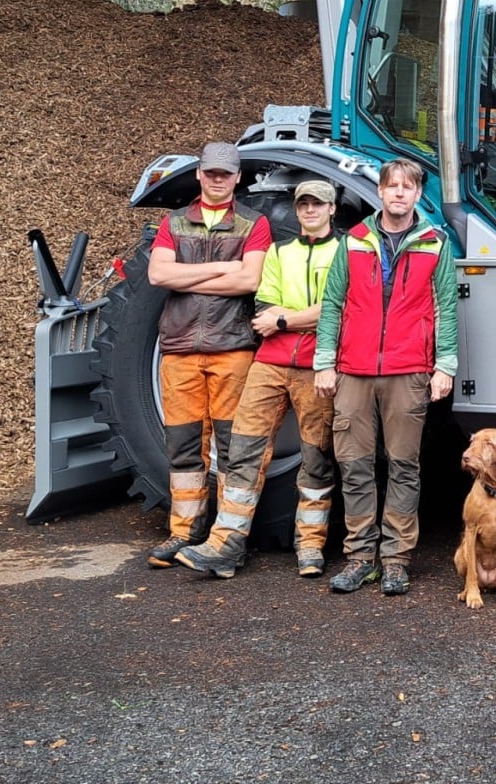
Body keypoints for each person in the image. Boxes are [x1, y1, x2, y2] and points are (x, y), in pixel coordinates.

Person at [175, 179, 342, 579]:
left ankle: (311, 545)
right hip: (269, 363)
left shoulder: (347, 252)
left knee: (316, 457)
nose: (309, 210)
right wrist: (299, 317)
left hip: (317, 365)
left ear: (332, 209)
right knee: (243, 451)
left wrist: (287, 319)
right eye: (303, 204)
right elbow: (264, 307)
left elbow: (339, 307)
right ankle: (226, 544)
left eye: (317, 204)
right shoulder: (279, 252)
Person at [313, 159, 457, 597]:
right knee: (354, 466)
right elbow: (333, 302)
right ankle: (360, 558)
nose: (398, 193)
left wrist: (444, 366)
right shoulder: (354, 240)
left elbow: (445, 307)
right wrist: (324, 360)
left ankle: (396, 560)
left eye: (407, 187)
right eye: (391, 186)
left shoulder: (435, 243)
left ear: (418, 195)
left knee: (403, 467)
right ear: (380, 191)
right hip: (354, 370)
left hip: (409, 370)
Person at [143, 141, 271, 568]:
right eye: (211, 172)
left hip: (231, 349)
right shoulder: (174, 222)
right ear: (199, 175)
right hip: (179, 350)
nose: (218, 179)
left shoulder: (255, 224)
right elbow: (158, 273)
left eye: (226, 173)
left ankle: (227, 540)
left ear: (237, 178)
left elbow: (250, 281)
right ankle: (185, 533)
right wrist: (221, 269)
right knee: (182, 448)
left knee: (234, 448)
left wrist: (187, 278)